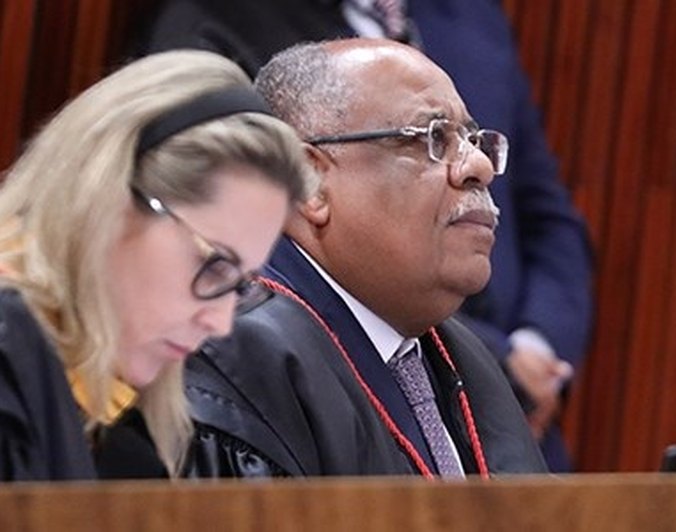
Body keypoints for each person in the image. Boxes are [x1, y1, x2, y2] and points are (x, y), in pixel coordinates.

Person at [135, 0, 594, 471]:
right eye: (432, 138)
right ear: (309, 182)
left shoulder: (466, 365)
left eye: (474, 140)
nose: (478, 166)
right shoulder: (238, 363)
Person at [0, 50, 312, 481]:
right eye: (214, 265)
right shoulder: (9, 351)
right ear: (106, 203)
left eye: (240, 285)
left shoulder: (124, 429)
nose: (220, 323)